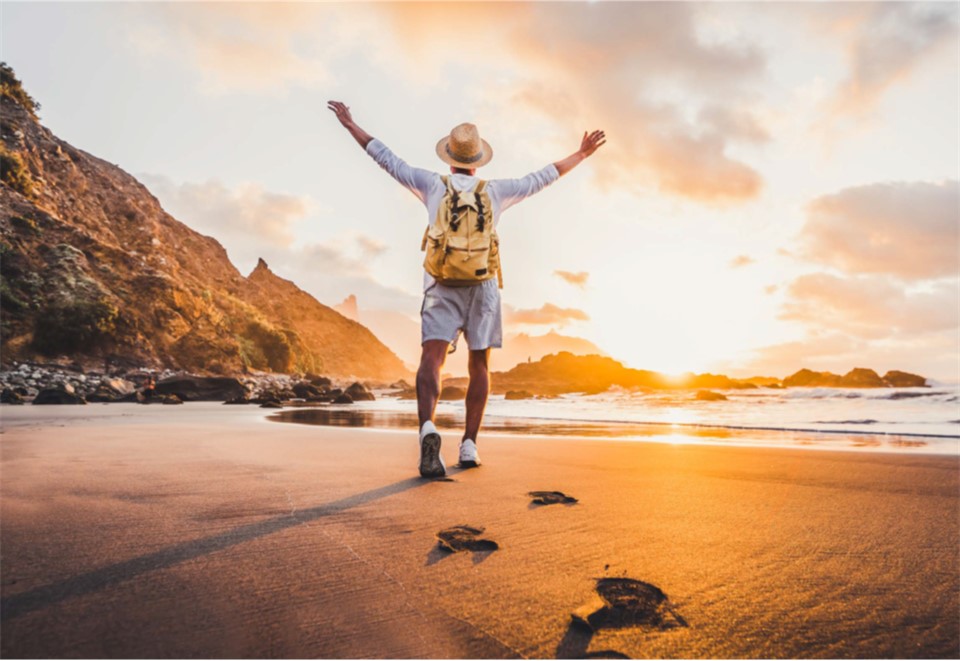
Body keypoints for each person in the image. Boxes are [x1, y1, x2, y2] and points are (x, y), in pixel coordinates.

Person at [328, 101, 605, 478]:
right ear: (477, 161)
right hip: (483, 286)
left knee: (432, 359)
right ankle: (470, 445)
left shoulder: (430, 185)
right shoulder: (496, 191)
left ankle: (428, 428)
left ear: (449, 158)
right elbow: (543, 177)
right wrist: (582, 153)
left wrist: (350, 124)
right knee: (479, 364)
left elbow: (387, 159)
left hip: (441, 284)